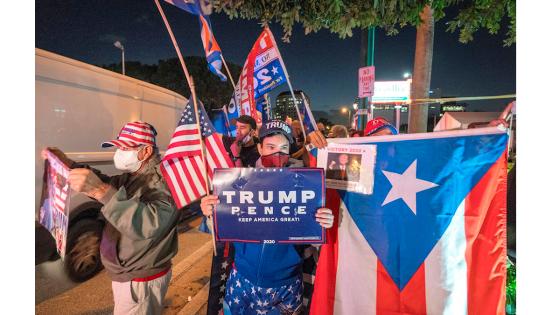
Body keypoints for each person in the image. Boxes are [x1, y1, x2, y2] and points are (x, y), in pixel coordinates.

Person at [42, 121, 178, 315]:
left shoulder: (162, 181)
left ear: (146, 151)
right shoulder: (134, 175)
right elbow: (107, 184)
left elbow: (150, 224)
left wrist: (100, 191)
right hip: (128, 274)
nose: (119, 152)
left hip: (140, 279)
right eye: (118, 146)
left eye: (125, 147)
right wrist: (68, 164)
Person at [200, 120, 334, 315]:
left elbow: (315, 241)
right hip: (242, 279)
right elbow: (219, 231)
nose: (277, 154)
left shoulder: (305, 184)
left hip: (286, 285)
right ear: (260, 148)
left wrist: (324, 224)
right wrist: (209, 213)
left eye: (284, 148)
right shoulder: (238, 181)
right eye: (271, 147)